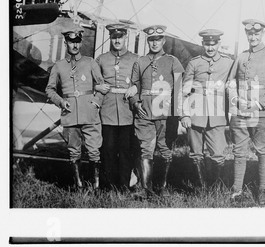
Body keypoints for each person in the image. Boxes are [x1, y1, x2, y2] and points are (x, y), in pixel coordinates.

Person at [226, 19, 265, 205]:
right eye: (250, 34)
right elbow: (230, 82)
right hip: (240, 112)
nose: (253, 37)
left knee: (262, 152)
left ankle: (263, 190)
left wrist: (260, 104)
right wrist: (235, 99)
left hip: (261, 113)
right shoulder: (241, 57)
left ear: (262, 34)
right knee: (239, 152)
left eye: (256, 34)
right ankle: (237, 190)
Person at [45, 27, 104, 190]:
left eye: (77, 41)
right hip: (70, 115)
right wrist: (61, 102)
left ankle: (96, 187)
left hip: (90, 114)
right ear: (66, 43)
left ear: (80, 42)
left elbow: (102, 86)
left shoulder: (90, 62)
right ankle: (78, 185)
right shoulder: (58, 66)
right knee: (74, 152)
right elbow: (49, 89)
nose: (75, 45)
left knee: (94, 151)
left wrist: (96, 102)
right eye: (71, 42)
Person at [129, 25, 184, 198]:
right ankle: (147, 190)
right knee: (146, 149)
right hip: (144, 112)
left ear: (164, 41)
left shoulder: (173, 61)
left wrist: (177, 115)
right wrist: (135, 104)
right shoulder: (140, 62)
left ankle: (162, 187)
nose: (155, 43)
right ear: (148, 41)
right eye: (151, 40)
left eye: (158, 39)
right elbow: (132, 88)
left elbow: (178, 90)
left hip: (165, 114)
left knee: (165, 149)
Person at [180, 29, 233, 188]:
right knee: (196, 153)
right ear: (202, 44)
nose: (210, 48)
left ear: (219, 44)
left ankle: (215, 187)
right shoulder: (194, 62)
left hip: (217, 113)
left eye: (213, 44)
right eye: (207, 44)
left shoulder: (228, 63)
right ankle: (201, 187)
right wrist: (184, 114)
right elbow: (184, 90)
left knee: (218, 153)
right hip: (196, 112)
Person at [94, 24, 139, 191]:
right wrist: (97, 87)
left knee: (126, 151)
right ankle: (108, 186)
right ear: (110, 38)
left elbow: (142, 80)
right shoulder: (101, 59)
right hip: (108, 110)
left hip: (127, 111)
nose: (117, 40)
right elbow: (93, 79)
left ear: (125, 37)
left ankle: (124, 185)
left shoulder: (135, 59)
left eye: (120, 37)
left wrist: (136, 87)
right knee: (108, 149)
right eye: (114, 37)